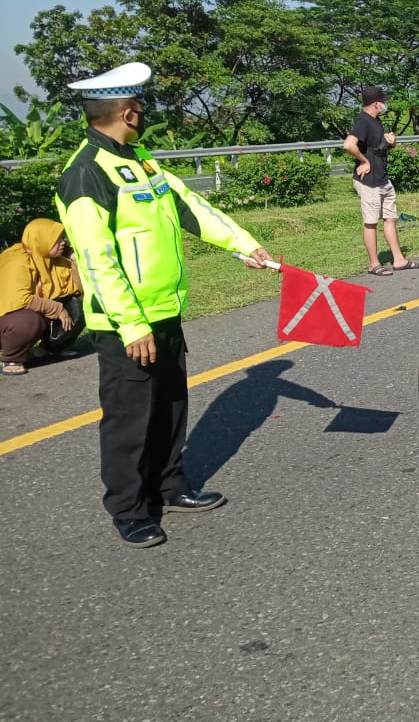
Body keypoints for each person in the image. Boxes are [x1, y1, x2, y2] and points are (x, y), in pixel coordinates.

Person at [55, 61, 276, 549]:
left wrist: (244, 244)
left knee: (171, 407)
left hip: (165, 312)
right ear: (129, 111)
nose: (144, 113)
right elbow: (96, 259)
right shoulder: (87, 174)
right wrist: (132, 325)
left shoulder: (142, 160)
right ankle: (130, 508)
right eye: (141, 106)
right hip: (125, 325)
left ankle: (170, 486)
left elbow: (191, 207)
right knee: (130, 417)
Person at [344, 85, 419, 276]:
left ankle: (399, 260)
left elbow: (378, 149)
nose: (386, 105)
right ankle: (374, 264)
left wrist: (391, 143)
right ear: (377, 104)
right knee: (371, 222)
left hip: (382, 178)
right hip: (368, 181)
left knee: (390, 218)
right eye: (384, 102)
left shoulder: (376, 121)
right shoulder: (363, 121)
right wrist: (364, 161)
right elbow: (348, 145)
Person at [0, 218, 84, 376]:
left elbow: (79, 292)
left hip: (27, 313)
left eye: (63, 238)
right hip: (6, 318)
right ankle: (11, 359)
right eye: (57, 239)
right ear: (41, 239)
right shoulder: (16, 260)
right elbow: (21, 299)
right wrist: (57, 309)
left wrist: (74, 262)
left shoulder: (55, 261)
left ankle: (49, 349)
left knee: (76, 308)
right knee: (28, 321)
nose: (63, 243)